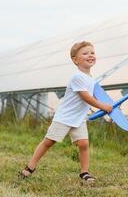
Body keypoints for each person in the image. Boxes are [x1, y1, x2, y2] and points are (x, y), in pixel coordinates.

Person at [19, 41, 112, 183]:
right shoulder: (77, 77)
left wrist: (107, 106)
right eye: (85, 53)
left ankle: (84, 172)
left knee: (83, 144)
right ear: (75, 60)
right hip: (65, 116)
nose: (90, 55)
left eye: (92, 53)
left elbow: (92, 96)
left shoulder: (90, 79)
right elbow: (85, 97)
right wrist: (102, 106)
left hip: (79, 118)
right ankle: (30, 167)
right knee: (49, 141)